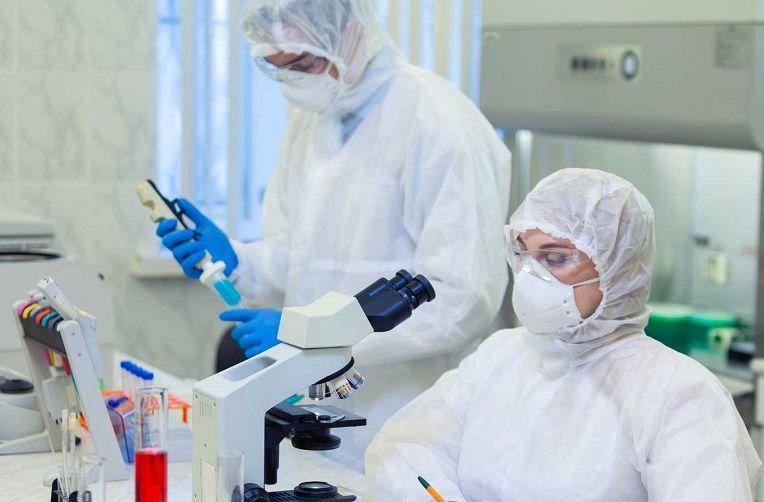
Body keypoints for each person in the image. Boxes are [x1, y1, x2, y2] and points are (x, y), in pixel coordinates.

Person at [155, 0, 511, 464]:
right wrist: (236, 261)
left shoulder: (439, 123)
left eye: (303, 63)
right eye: (278, 67)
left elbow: (462, 298)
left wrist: (317, 337)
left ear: (353, 33)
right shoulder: (315, 116)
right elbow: (300, 257)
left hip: (405, 419)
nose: (295, 81)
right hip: (315, 414)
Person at [365, 168, 761, 501]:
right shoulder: (500, 355)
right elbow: (406, 447)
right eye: (523, 254)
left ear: (618, 267)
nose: (529, 275)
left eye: (554, 258)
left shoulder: (680, 395)